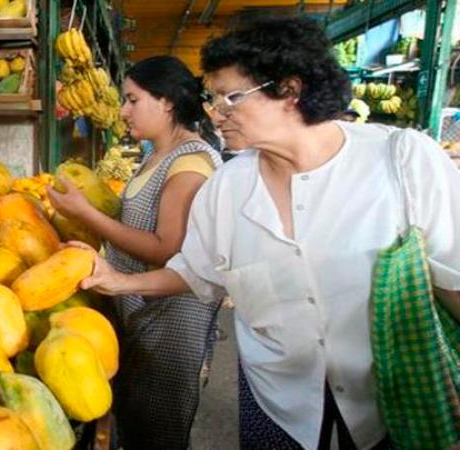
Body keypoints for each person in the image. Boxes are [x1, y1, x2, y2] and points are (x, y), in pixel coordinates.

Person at [77, 17, 460, 450]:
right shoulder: (227, 188)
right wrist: (117, 280)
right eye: (212, 98)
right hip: (278, 405)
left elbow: (454, 281)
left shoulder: (402, 162)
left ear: (290, 91)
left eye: (230, 97)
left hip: (392, 402)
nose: (215, 113)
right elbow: (196, 271)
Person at [48, 55, 223, 450]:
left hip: (170, 319)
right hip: (140, 307)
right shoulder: (158, 152)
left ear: (166, 102)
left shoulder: (191, 163)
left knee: (158, 431)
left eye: (132, 100)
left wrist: (86, 214)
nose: (123, 111)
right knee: (136, 421)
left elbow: (166, 249)